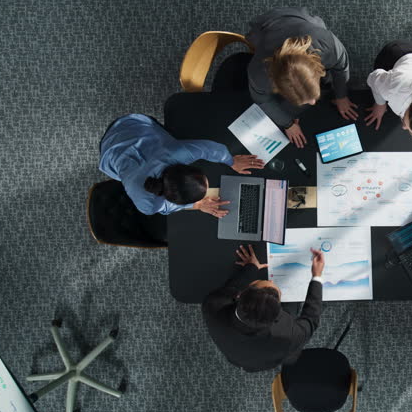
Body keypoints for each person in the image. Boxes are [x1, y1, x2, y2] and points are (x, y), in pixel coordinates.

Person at [98, 114, 264, 217]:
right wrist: (197, 205)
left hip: (133, 126)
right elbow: (165, 207)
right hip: (114, 149)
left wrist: (231, 160)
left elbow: (209, 149)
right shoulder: (146, 203)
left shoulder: (174, 153)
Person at [202, 244, 325, 372]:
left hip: (239, 357)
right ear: (279, 314)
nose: (272, 282)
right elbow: (311, 319)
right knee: (292, 302)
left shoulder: (214, 306)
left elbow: (230, 288)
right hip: (267, 359)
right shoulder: (290, 335)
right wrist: (317, 276)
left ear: (240, 295)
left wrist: (251, 267)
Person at [247, 7, 355, 148]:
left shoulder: (326, 43)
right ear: (277, 86)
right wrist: (288, 124)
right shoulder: (259, 74)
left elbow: (341, 65)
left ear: (317, 70)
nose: (312, 103)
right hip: (268, 25)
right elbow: (261, 100)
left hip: (299, 21)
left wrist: (341, 96)